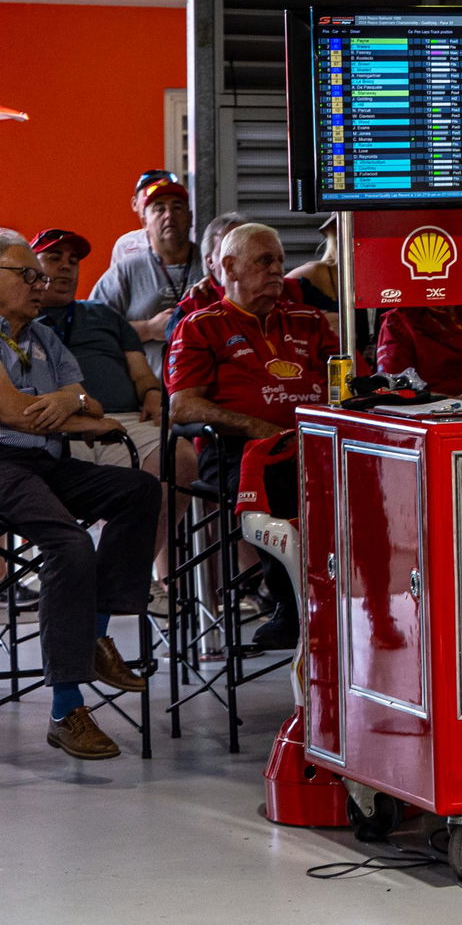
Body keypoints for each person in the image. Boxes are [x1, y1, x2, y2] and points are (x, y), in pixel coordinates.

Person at [0, 229, 161, 760]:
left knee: (138, 490)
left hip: (45, 460)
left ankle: (94, 635)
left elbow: (90, 403)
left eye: (38, 276)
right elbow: (14, 413)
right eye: (27, 274)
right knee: (69, 545)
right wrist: (64, 407)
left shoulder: (46, 337)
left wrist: (70, 398)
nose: (39, 283)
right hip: (3, 464)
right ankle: (65, 708)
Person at [167, 223, 337, 649]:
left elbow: (350, 383)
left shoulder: (309, 320)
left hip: (317, 444)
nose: (278, 271)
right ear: (229, 266)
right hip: (239, 452)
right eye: (265, 261)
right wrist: (255, 426)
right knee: (284, 483)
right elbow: (182, 407)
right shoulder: (200, 326)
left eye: (280, 261)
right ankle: (292, 605)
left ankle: (362, 601)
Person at [32, 229, 198, 615]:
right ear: (30, 268)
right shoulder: (21, 317)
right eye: (54, 258)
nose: (65, 268)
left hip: (121, 421)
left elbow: (141, 373)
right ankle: (70, 578)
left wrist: (154, 394)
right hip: (52, 425)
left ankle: (126, 573)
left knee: (181, 459)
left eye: (73, 262)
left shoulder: (103, 315)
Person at [90, 175, 198, 372]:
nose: (169, 215)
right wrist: (148, 329)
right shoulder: (124, 272)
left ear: (190, 218)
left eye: (177, 207)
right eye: (159, 209)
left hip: (205, 395)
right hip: (145, 397)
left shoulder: (212, 268)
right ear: (144, 220)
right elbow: (93, 333)